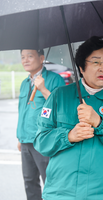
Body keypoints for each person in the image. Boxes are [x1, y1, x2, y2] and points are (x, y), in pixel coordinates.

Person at [33, 36, 103, 200]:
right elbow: (41, 141)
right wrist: (68, 136)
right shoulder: (59, 96)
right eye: (96, 62)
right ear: (81, 67)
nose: (102, 68)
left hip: (100, 194)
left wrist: (100, 123)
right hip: (60, 193)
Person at [17, 49, 65, 200]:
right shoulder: (25, 83)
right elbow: (22, 111)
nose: (25, 60)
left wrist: (43, 88)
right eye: (23, 57)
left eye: (30, 56)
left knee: (50, 183)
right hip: (26, 141)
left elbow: (60, 108)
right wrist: (20, 137)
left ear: (41, 58)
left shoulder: (54, 80)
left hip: (44, 140)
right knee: (29, 182)